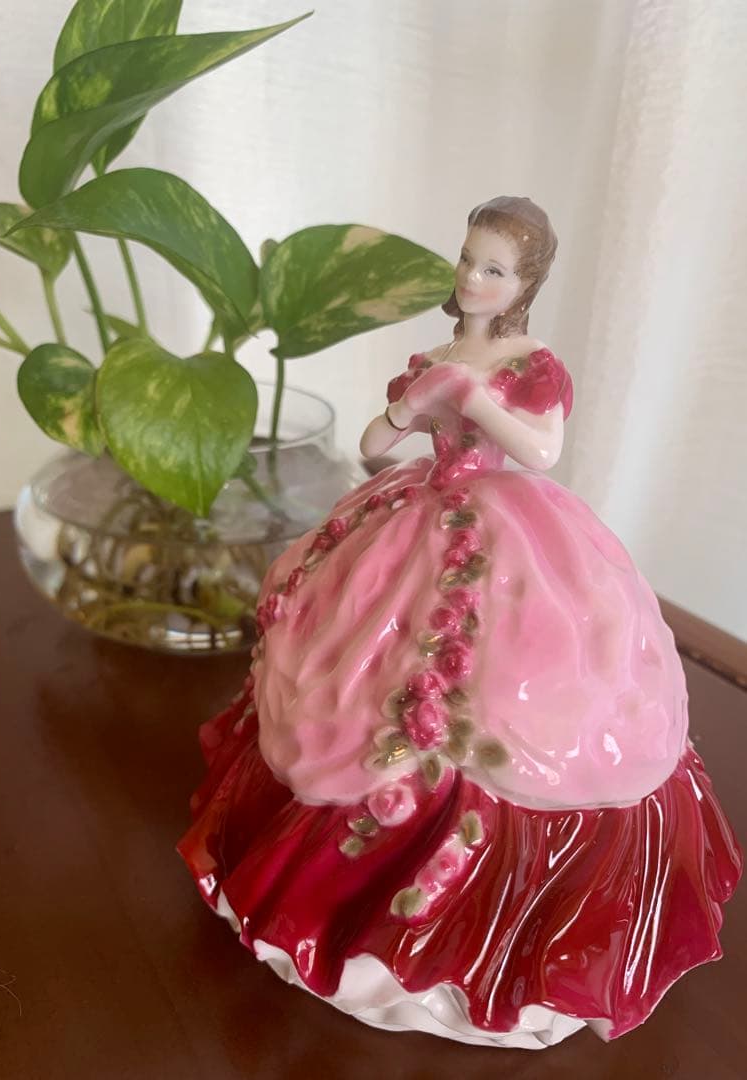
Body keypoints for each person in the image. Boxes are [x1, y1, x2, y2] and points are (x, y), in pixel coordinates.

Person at [178, 197, 741, 1049]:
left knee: (513, 682)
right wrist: (414, 404)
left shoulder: (531, 363)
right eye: (469, 259)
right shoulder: (437, 353)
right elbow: (374, 446)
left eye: (494, 269)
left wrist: (472, 397)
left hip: (508, 522)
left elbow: (542, 450)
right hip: (416, 515)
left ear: (524, 284)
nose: (472, 278)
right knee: (357, 658)